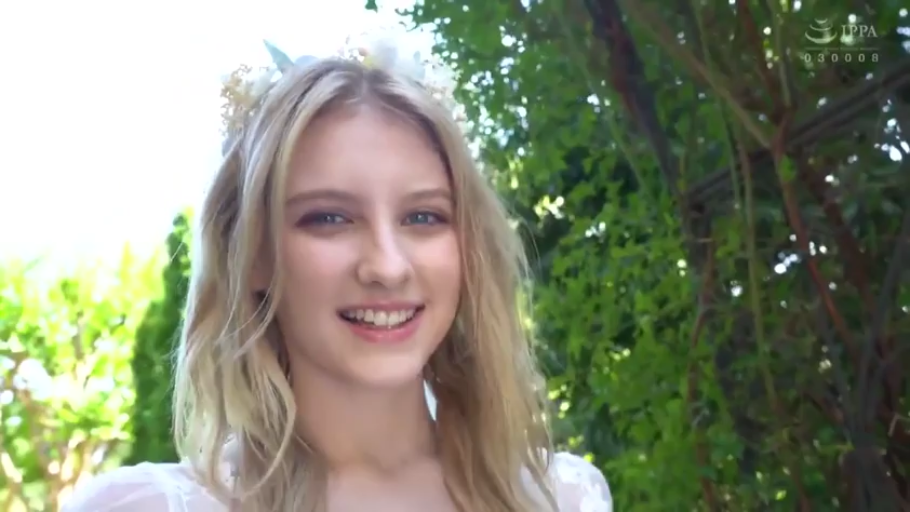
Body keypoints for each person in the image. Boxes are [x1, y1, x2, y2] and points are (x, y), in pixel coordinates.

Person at [62, 36, 612, 512]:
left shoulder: (562, 497)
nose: (387, 266)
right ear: (252, 254)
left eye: (424, 217)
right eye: (329, 218)